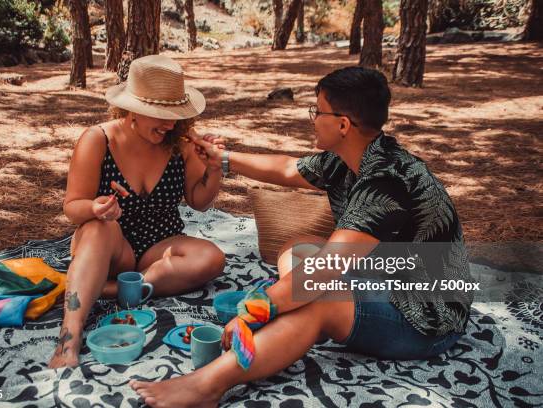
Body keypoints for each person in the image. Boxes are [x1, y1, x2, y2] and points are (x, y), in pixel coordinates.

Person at [129, 66, 475, 407]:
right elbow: (286, 169)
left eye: (317, 111)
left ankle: (207, 386)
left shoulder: (385, 184)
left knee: (314, 298)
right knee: (298, 248)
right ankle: (294, 319)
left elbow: (323, 271)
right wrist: (224, 158)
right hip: (389, 275)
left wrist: (255, 310)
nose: (312, 118)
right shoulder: (354, 156)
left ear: (342, 124)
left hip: (428, 317)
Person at [49, 55, 226, 368]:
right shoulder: (97, 140)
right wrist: (94, 208)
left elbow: (199, 201)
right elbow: (72, 207)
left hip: (159, 244)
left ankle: (107, 288)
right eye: (161, 114)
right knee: (98, 227)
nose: (171, 123)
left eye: (175, 113)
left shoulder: (180, 144)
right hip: (108, 244)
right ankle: (69, 339)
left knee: (212, 257)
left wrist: (214, 169)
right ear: (133, 109)